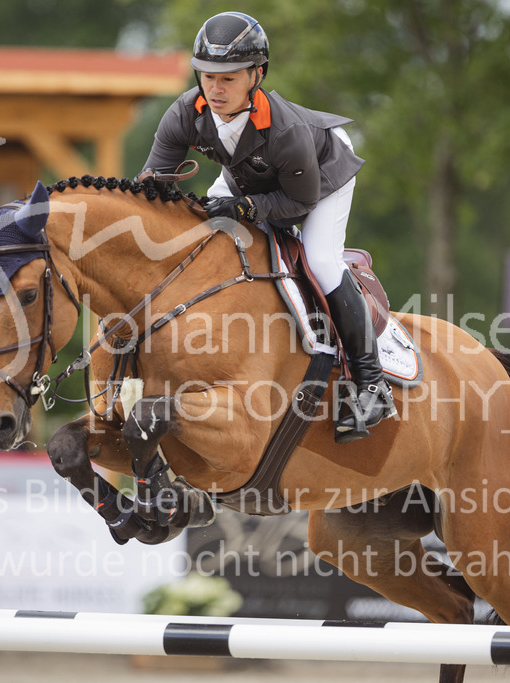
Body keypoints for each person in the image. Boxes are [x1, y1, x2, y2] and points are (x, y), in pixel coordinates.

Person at [140, 11, 395, 442]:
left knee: (320, 261)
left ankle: (372, 383)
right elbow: (151, 186)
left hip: (319, 173)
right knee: (206, 236)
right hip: (250, 173)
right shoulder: (185, 112)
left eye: (229, 78)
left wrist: (245, 209)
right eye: (207, 77)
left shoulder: (287, 130)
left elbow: (298, 204)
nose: (215, 89)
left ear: (257, 74)